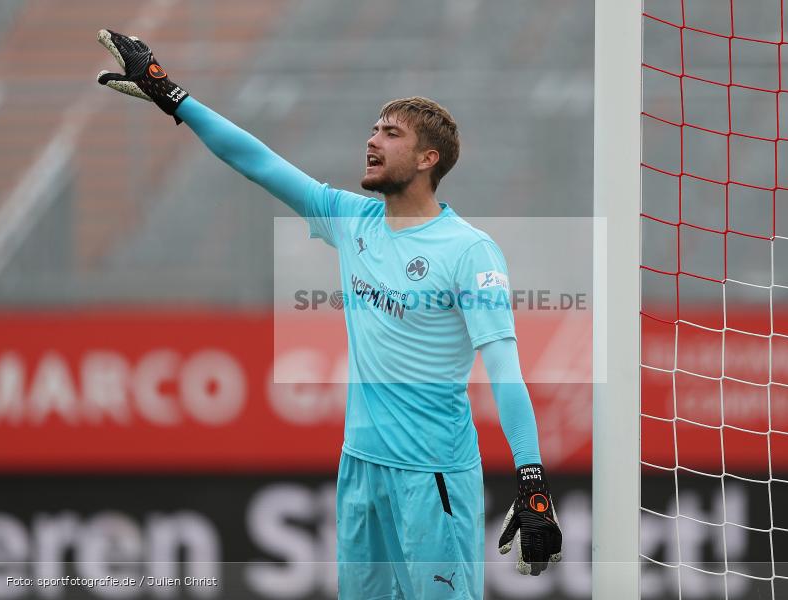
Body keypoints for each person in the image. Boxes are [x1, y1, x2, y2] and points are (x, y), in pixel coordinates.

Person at [96, 29, 562, 599]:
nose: (371, 140)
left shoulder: (470, 251)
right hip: (360, 468)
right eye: (373, 129)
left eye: (390, 134)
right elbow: (257, 162)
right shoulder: (351, 220)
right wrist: (171, 95)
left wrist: (532, 480)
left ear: (427, 158)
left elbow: (505, 368)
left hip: (433, 476)